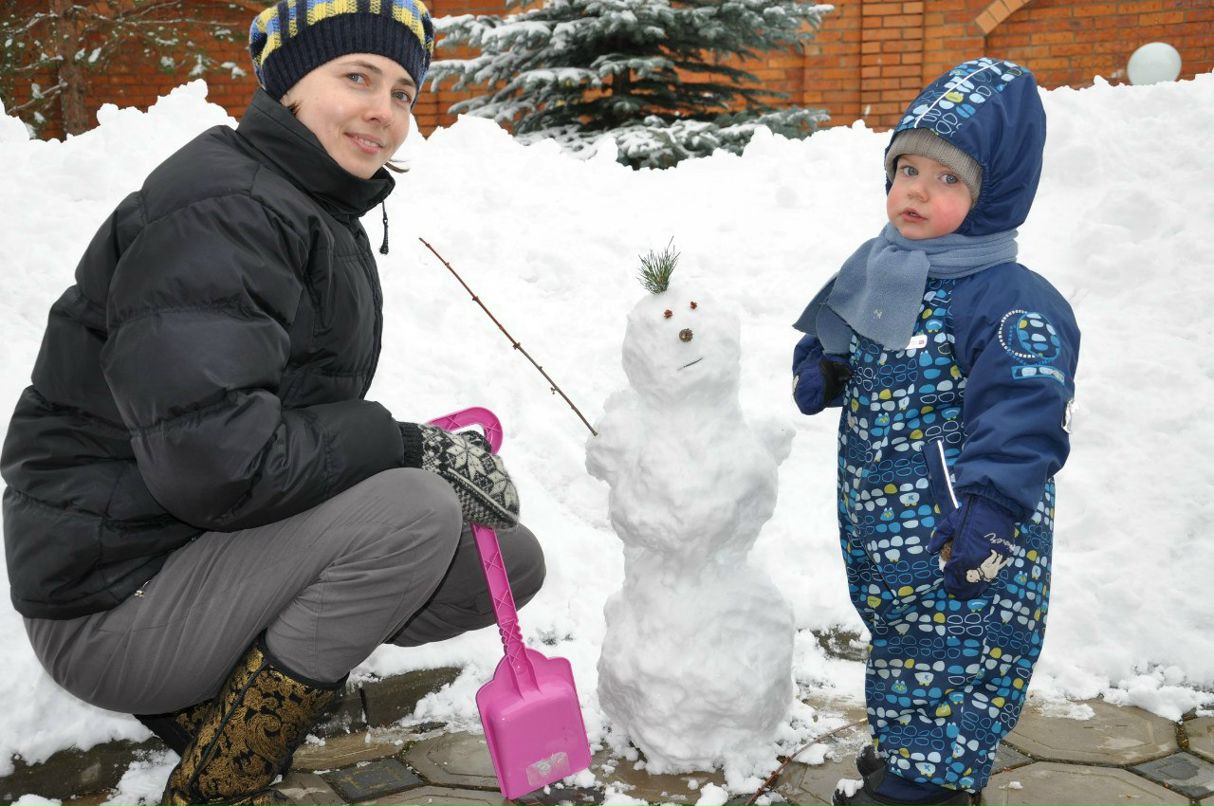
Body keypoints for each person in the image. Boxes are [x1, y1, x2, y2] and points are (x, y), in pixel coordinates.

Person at [0, 1, 546, 803]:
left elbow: (268, 420)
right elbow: (216, 461)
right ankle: (227, 767)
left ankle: (219, 688)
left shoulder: (303, 199)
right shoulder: (227, 210)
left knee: (504, 558)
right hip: (110, 601)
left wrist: (403, 447)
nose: (384, 112)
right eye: (356, 77)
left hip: (188, 547)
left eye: (401, 91)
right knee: (415, 513)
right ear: (288, 85)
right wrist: (402, 448)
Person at [790, 58, 1079, 806]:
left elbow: (1024, 415)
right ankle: (907, 749)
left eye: (948, 179)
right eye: (907, 168)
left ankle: (932, 783)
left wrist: (991, 509)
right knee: (898, 631)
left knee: (957, 643)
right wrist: (824, 368)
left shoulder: (1009, 299)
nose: (915, 190)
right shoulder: (886, 262)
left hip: (962, 521)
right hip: (882, 515)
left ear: (994, 195)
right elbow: (840, 326)